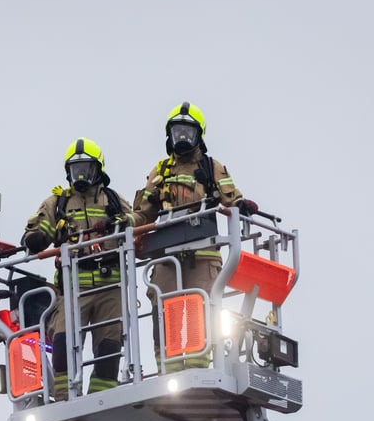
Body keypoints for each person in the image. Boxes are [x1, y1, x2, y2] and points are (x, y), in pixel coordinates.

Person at [133, 102, 259, 371]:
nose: (181, 138)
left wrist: (241, 205)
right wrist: (124, 224)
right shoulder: (160, 172)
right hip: (167, 258)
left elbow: (231, 197)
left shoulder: (212, 168)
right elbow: (142, 214)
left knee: (199, 312)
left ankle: (198, 369)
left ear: (198, 134)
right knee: (162, 312)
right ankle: (168, 370)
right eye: (177, 131)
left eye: (187, 132)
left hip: (203, 256)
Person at [21, 137, 139, 401]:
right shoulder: (58, 203)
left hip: (112, 287)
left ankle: (101, 399)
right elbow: (37, 228)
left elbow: (137, 219)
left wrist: (119, 220)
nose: (81, 175)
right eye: (75, 169)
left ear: (99, 169)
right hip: (74, 288)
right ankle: (65, 399)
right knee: (63, 343)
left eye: (86, 168)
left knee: (109, 348)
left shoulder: (112, 200)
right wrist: (36, 237)